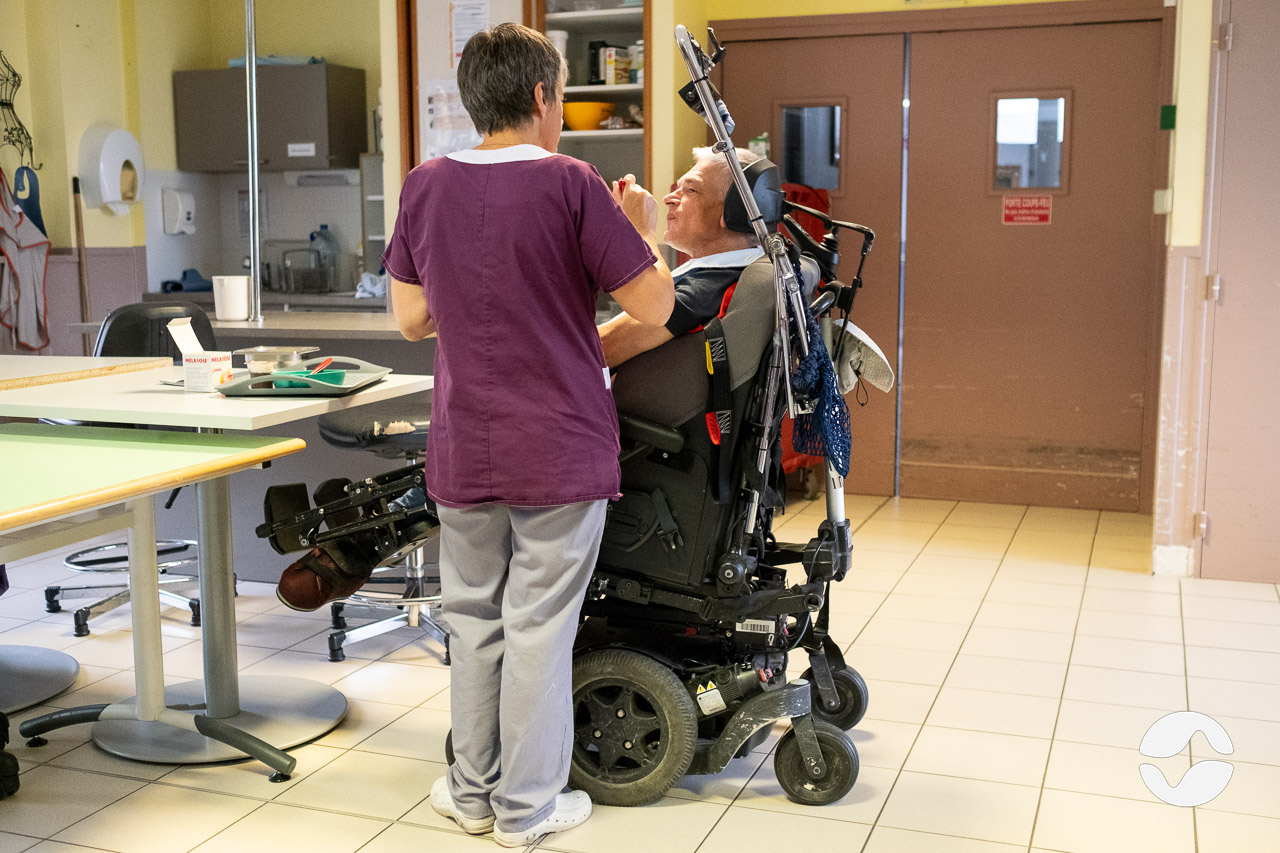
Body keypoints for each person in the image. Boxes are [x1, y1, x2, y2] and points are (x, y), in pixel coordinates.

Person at [382, 23, 673, 849]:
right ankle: (527, 809)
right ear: (545, 97)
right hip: (558, 448)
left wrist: (480, 285)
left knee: (472, 622)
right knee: (539, 628)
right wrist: (643, 227)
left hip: (464, 447)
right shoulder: (573, 184)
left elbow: (410, 319)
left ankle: (470, 796)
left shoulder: (424, 184)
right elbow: (654, 308)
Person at [599, 146, 763, 367]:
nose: (668, 198)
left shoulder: (705, 290)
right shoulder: (731, 272)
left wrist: (641, 230)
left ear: (734, 212)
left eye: (691, 190)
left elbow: (600, 348)